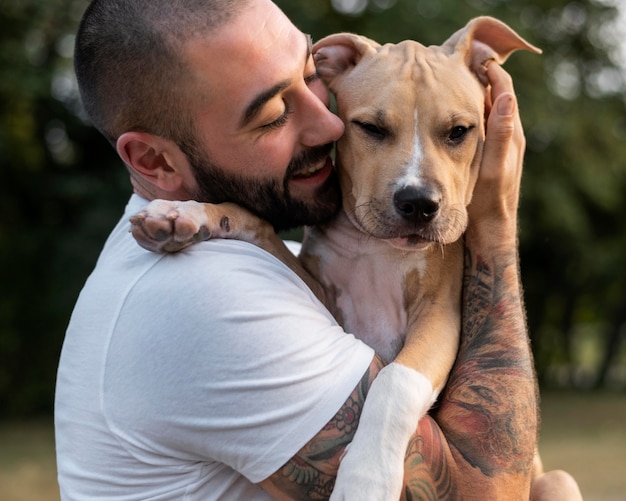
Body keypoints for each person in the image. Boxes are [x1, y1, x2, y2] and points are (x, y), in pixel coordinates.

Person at [55, 0, 581, 499]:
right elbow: (489, 493)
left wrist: (232, 222)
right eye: (272, 114)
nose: (331, 123)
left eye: (311, 76)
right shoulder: (199, 297)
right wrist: (494, 223)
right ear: (154, 160)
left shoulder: (253, 251)